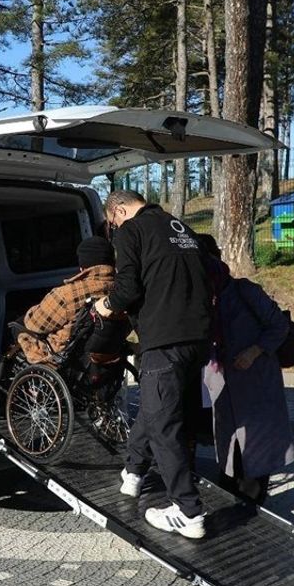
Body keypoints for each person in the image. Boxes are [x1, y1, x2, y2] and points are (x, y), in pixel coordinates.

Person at [94, 190, 211, 540]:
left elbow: (128, 287)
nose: (113, 229)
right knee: (153, 406)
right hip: (198, 338)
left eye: (112, 222)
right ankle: (133, 473)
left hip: (165, 339)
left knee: (163, 425)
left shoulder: (132, 230)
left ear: (119, 210)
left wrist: (106, 305)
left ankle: (188, 512)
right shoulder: (181, 228)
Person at [200, 236, 294, 505]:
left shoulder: (245, 290)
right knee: (228, 442)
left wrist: (255, 351)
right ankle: (231, 496)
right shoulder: (202, 298)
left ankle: (252, 503)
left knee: (255, 444)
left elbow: (279, 326)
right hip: (223, 382)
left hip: (255, 379)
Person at [16, 236, 116, 365]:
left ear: (83, 266)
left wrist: (31, 311)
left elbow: (35, 324)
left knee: (18, 326)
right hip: (106, 353)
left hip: (60, 356)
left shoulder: (69, 294)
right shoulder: (121, 290)